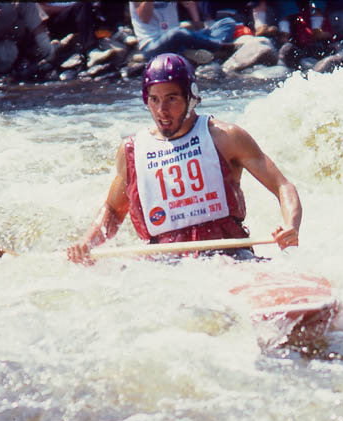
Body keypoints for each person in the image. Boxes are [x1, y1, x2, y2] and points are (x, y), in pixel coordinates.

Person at [67, 53, 301, 265]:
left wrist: (291, 226)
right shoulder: (131, 151)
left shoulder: (226, 138)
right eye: (154, 100)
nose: (162, 111)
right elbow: (113, 211)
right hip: (164, 263)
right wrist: (87, 243)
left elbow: (282, 186)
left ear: (191, 98)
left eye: (171, 99)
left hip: (229, 256)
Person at [128, 1, 236, 63]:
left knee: (227, 22)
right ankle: (218, 46)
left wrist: (197, 23)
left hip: (181, 40)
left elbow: (189, 3)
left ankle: (198, 49)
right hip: (151, 44)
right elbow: (144, 18)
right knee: (177, 33)